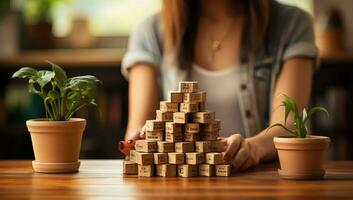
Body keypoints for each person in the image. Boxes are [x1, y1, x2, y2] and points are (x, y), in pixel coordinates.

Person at [120, 0, 317, 171]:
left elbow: (291, 127)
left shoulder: (293, 23)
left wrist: (253, 148)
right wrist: (139, 140)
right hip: (179, 186)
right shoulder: (149, 32)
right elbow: (138, 126)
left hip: (263, 183)